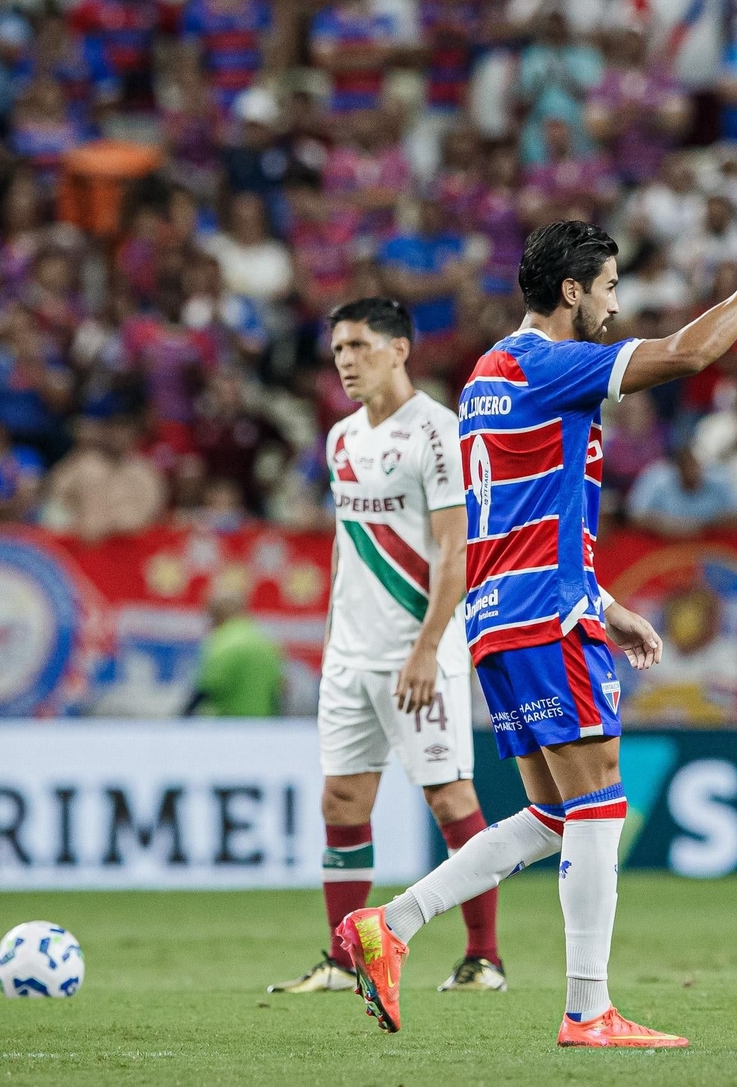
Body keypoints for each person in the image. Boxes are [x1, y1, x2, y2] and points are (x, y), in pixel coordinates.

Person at [336, 218, 737, 1048]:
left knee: (553, 815)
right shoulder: (554, 364)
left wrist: (602, 596)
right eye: (610, 288)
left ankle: (395, 924)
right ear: (572, 292)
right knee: (599, 806)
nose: (614, 304)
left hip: (501, 618)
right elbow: (691, 354)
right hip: (544, 622)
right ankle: (588, 1010)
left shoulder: (490, 372)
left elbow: (521, 511)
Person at [270, 297, 508, 997]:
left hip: (417, 650)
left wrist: (429, 647)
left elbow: (454, 547)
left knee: (449, 796)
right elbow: (351, 549)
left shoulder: (437, 433)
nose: (345, 361)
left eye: (359, 346)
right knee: (342, 800)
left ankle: (482, 958)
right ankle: (345, 962)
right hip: (349, 655)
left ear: (400, 349)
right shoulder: (340, 438)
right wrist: (335, 642)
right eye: (338, 349)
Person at [190, 578, 284, 716]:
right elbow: (279, 689)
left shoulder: (221, 641)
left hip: (226, 726)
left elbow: (207, 688)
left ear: (215, 613)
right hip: (263, 726)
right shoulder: (267, 641)